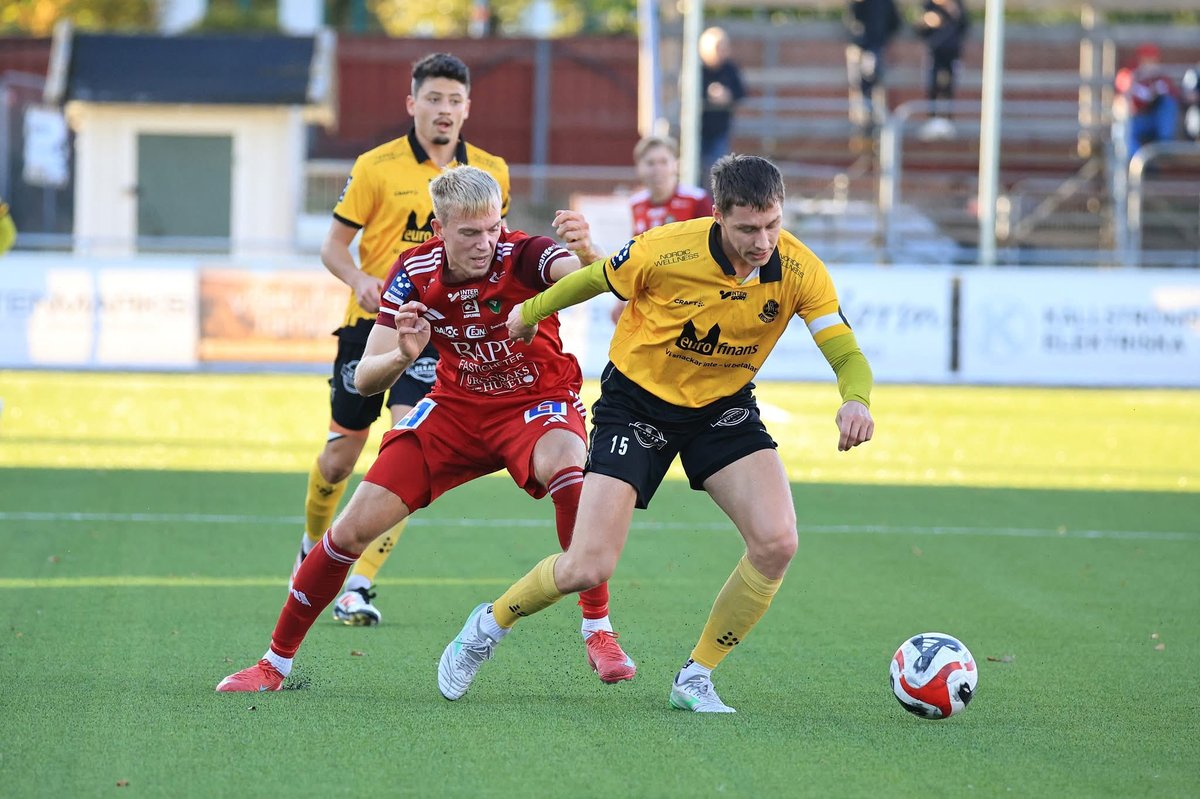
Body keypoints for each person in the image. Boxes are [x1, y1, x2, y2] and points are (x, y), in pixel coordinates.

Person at [436, 154, 875, 711]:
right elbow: (596, 279)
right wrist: (530, 311)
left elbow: (845, 350)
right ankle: (487, 626)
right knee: (587, 565)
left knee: (777, 542)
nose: (763, 240)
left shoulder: (799, 268)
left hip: (721, 408)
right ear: (717, 216)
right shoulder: (665, 249)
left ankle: (696, 675)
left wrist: (855, 400)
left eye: (772, 225)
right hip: (636, 405)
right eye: (747, 228)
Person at [217, 166, 638, 692]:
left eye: (492, 228)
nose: (486, 243)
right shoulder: (412, 272)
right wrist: (402, 355)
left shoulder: (522, 252)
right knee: (348, 532)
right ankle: (273, 664)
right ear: (439, 229)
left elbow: (580, 278)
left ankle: (598, 629)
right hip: (455, 410)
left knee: (569, 468)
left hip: (535, 400)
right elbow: (367, 377)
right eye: (469, 233)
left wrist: (592, 252)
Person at [302, 53, 510, 628]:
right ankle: (313, 547)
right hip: (371, 326)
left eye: (454, 101)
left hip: (444, 332)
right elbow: (333, 246)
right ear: (411, 103)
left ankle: (358, 583)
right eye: (434, 99)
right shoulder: (377, 167)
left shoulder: (489, 171)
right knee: (341, 457)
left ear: (467, 108)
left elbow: (499, 251)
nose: (444, 110)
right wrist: (360, 279)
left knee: (406, 440)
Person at [610, 134, 711, 324]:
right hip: (653, 296)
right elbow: (633, 253)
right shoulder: (636, 204)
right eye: (650, 163)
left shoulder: (697, 200)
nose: (658, 169)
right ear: (639, 167)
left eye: (664, 162)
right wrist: (621, 299)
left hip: (692, 294)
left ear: (676, 165)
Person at [844, 0, 901, 141]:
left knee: (872, 79)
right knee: (857, 83)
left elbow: (895, 23)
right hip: (859, 47)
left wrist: (881, 38)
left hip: (875, 47)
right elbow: (851, 21)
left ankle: (873, 120)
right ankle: (861, 121)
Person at [915, 0, 969, 141]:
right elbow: (918, 30)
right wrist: (926, 22)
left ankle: (948, 121)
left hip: (951, 54)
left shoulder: (957, 6)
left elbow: (964, 27)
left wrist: (954, 13)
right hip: (934, 53)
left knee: (948, 88)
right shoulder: (928, 7)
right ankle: (932, 120)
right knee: (932, 86)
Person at [1115, 43, 1180, 161]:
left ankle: (1164, 148)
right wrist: (1138, 78)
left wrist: (1157, 93)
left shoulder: (1159, 76)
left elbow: (1173, 96)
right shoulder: (1129, 73)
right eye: (1146, 59)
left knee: (1168, 103)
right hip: (1135, 120)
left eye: (1153, 59)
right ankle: (1139, 161)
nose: (1150, 63)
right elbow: (1123, 95)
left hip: (1153, 121)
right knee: (1122, 131)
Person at [699, 27, 746, 182]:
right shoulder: (696, 68)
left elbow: (741, 93)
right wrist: (708, 94)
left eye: (723, 48)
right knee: (696, 168)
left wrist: (728, 95)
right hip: (696, 129)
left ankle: (714, 203)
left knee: (717, 171)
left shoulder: (730, 68)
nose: (721, 52)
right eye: (717, 48)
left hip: (720, 129)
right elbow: (686, 92)